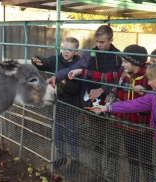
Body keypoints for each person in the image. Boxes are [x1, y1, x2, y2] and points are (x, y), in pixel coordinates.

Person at [92, 61, 156, 182]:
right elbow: (133, 104)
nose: (148, 83)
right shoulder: (154, 95)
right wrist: (108, 107)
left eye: (150, 80)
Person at [47, 25, 122, 181]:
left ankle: (112, 176)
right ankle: (96, 173)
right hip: (93, 103)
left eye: (102, 42)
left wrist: (102, 89)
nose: (99, 45)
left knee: (112, 145)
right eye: (97, 41)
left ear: (111, 40)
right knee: (96, 140)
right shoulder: (91, 53)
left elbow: (118, 79)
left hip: (113, 105)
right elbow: (75, 67)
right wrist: (56, 76)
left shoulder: (119, 57)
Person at [70, 44, 154, 182]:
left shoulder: (149, 77)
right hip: (127, 125)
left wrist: (147, 91)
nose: (122, 64)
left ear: (135, 62)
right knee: (131, 158)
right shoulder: (123, 74)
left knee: (147, 161)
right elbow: (106, 76)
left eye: (125, 62)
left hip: (143, 127)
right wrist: (82, 72)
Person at [32, 37, 81, 176]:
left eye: (70, 49)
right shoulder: (55, 60)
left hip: (70, 106)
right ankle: (61, 157)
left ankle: (75, 161)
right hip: (54, 104)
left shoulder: (78, 65)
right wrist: (36, 60)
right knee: (57, 133)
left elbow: (76, 89)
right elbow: (44, 62)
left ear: (76, 52)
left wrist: (64, 81)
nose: (66, 51)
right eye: (65, 48)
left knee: (71, 135)